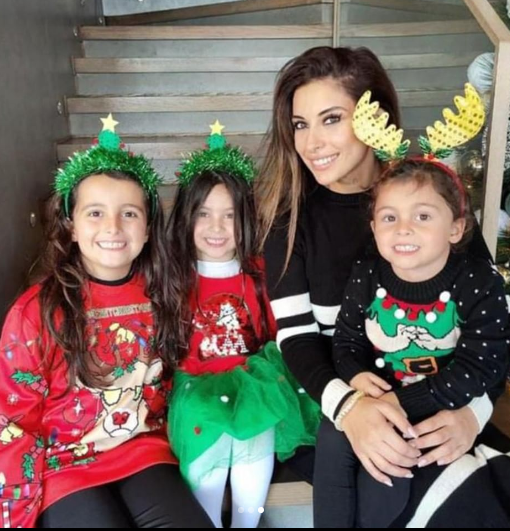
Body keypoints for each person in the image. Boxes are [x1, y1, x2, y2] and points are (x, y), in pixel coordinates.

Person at [256, 46, 509, 527]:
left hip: (442, 398)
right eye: (300, 124)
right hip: (336, 399)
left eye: (332, 119)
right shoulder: (288, 222)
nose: (311, 142)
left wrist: (473, 414)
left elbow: (490, 328)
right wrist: (350, 410)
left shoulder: (431, 199)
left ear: (376, 119)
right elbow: (298, 338)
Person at [0, 115, 213, 528]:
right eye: (95, 213)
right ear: (71, 227)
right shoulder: (35, 313)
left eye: (129, 213)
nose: (113, 227)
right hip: (62, 465)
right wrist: (16, 514)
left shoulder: (167, 294)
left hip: (144, 452)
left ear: (148, 229)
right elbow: (12, 419)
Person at [323, 85, 509, 525]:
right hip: (375, 402)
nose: (403, 229)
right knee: (334, 444)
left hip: (441, 406)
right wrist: (356, 379)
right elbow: (346, 342)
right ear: (374, 227)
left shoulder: (478, 282)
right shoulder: (368, 274)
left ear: (456, 228)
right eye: (390, 217)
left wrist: (407, 404)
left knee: (401, 481)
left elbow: (482, 365)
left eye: (422, 216)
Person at [166, 123, 320, 528]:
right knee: (208, 452)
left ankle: (246, 524)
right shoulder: (173, 278)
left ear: (246, 219)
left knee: (255, 430)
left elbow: (278, 327)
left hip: (252, 380)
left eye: (229, 216)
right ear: (186, 217)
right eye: (204, 214)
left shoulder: (259, 273)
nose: (217, 228)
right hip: (196, 388)